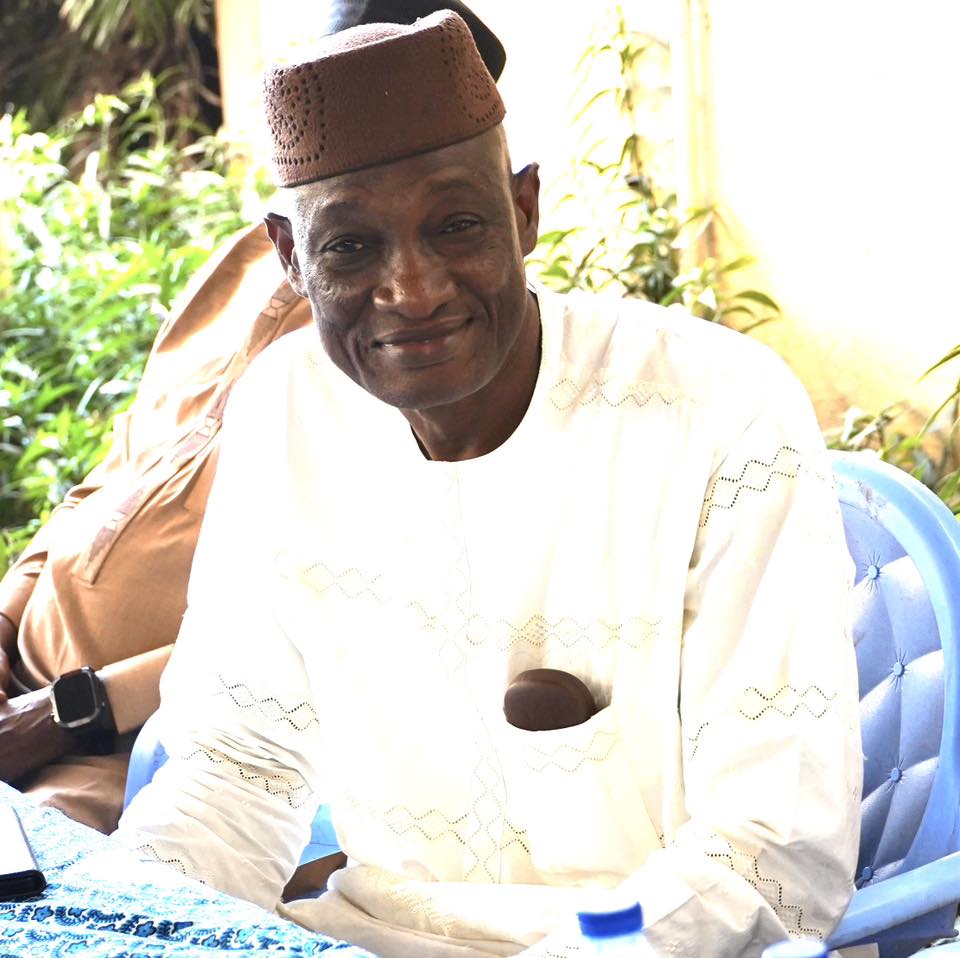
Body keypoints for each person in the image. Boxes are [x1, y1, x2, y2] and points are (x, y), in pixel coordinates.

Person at [114, 11, 862, 958]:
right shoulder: (284, 408)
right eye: (350, 247)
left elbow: (767, 851)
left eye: (456, 226)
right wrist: (125, 922)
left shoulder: (716, 407)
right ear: (292, 257)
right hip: (371, 936)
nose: (413, 289)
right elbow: (237, 767)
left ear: (524, 210)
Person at [0, 0, 504, 839]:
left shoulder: (436, 341)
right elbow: (117, 468)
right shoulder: (241, 264)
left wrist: (74, 711)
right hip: (25, 680)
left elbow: (350, 623)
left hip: (135, 747)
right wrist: (6, 614)